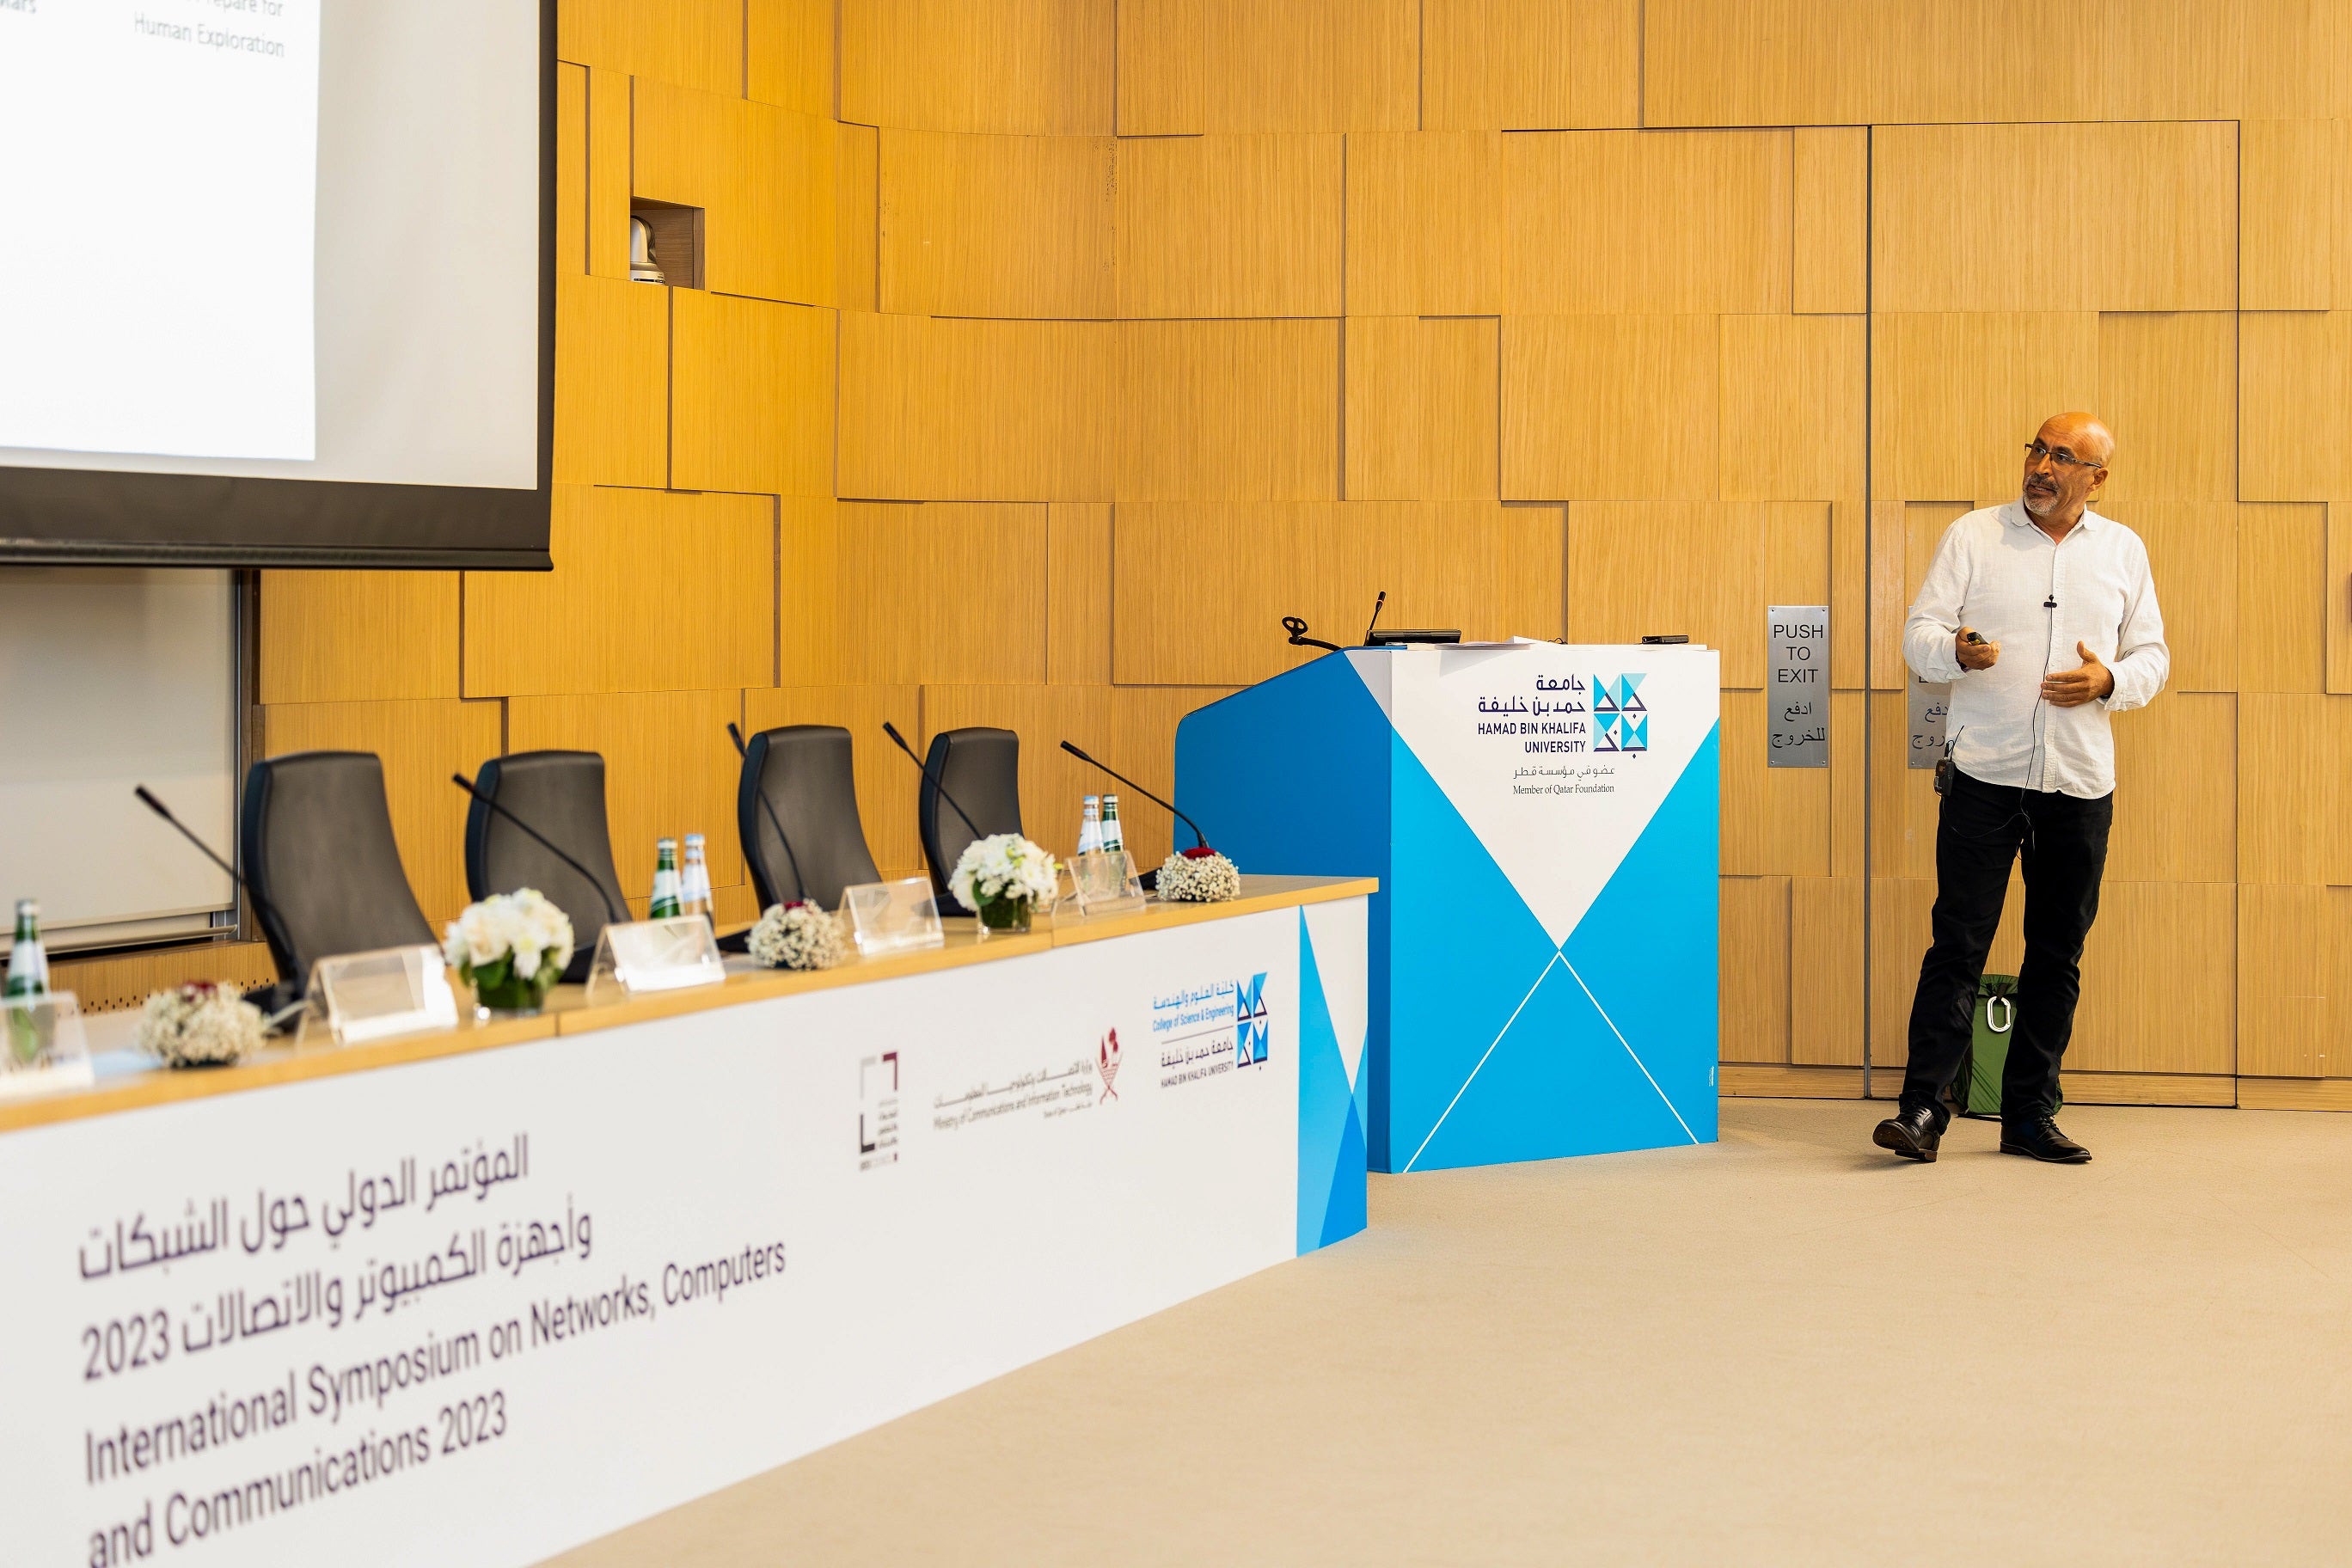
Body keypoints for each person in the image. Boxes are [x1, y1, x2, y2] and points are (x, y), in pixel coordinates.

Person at [1873, 413, 2168, 1165]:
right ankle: (1921, 1111)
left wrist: (2108, 680)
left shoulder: (2123, 551)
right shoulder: (1975, 536)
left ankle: (2029, 1115)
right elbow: (1920, 635)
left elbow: (2152, 658)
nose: (2041, 465)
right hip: (1983, 776)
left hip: (2078, 781)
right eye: (2036, 448)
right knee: (1958, 944)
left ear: (2096, 478)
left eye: (2062, 456)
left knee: (2057, 952)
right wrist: (1955, 653)